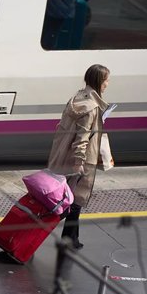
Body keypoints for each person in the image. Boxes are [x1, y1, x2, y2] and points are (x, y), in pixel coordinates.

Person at [47, 64, 110, 250]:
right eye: (106, 80)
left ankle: (71, 237)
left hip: (62, 154)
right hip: (79, 160)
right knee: (68, 202)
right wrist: (78, 163)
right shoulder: (91, 107)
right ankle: (34, 234)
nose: (108, 83)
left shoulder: (78, 97)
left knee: (71, 200)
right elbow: (82, 138)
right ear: (99, 81)